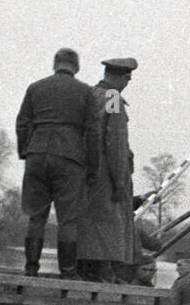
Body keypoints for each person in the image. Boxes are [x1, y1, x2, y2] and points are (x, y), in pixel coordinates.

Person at [16, 47, 99, 278]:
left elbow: (22, 123)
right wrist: (93, 166)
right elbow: (93, 133)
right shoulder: (87, 92)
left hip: (37, 153)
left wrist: (25, 150)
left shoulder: (35, 87)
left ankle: (31, 267)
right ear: (77, 66)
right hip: (70, 156)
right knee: (68, 219)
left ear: (55, 63)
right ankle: (68, 271)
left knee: (36, 215)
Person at [78, 57, 138, 282]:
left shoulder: (90, 94)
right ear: (123, 77)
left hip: (85, 171)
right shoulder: (113, 98)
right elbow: (115, 141)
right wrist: (119, 181)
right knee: (109, 225)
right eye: (127, 79)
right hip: (106, 173)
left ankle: (87, 270)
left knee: (89, 222)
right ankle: (104, 274)